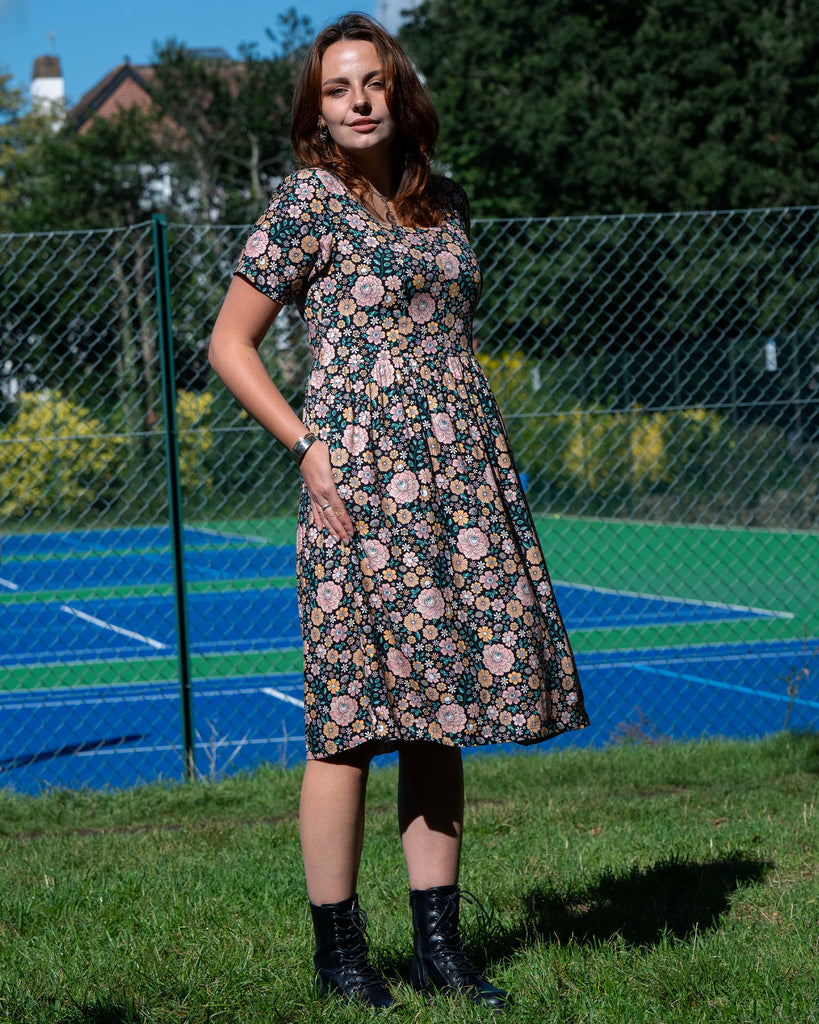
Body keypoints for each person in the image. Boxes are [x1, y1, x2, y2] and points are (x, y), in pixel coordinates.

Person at [209, 12, 589, 1011]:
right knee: (347, 723)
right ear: (316, 109)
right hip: (355, 492)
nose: (359, 101)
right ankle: (340, 957)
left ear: (400, 89)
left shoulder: (445, 202)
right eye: (338, 89)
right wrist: (309, 447)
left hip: (459, 488)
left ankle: (439, 949)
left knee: (441, 715)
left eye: (373, 81)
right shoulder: (304, 203)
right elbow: (230, 346)